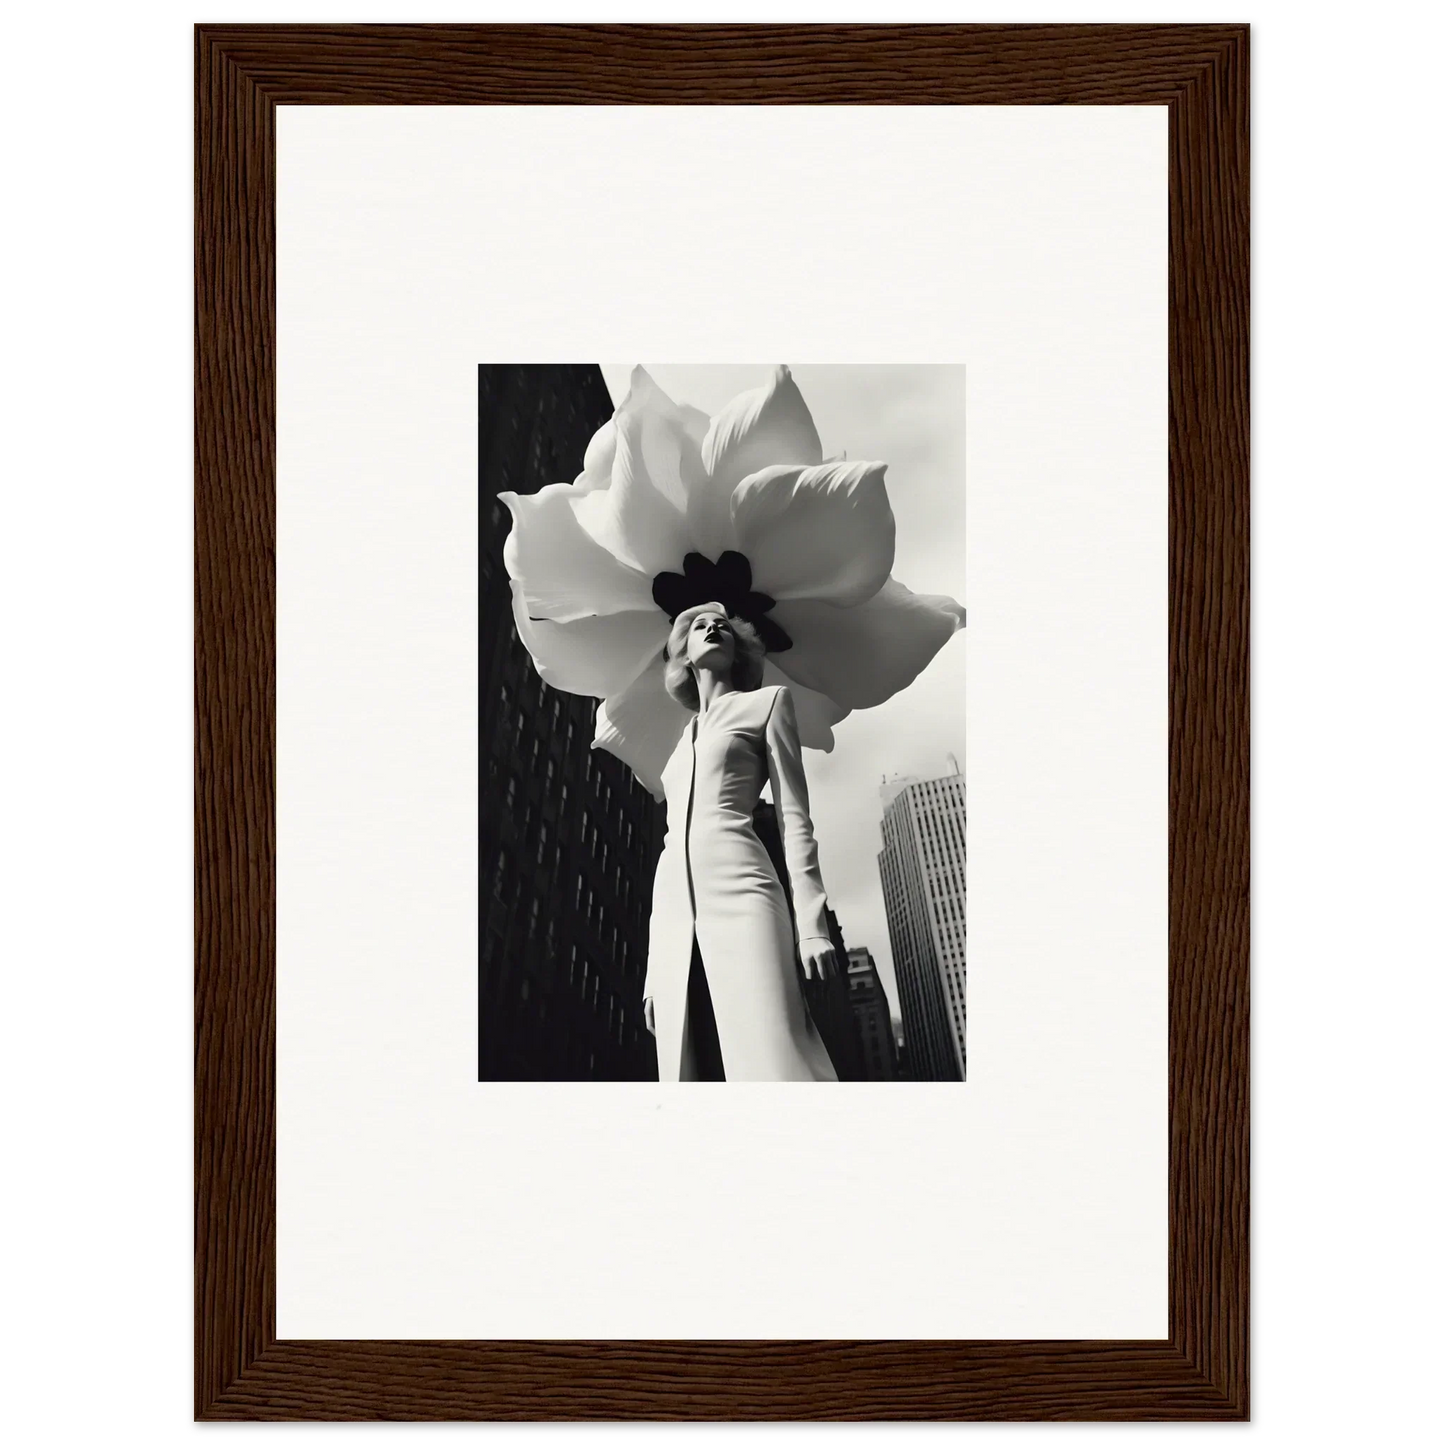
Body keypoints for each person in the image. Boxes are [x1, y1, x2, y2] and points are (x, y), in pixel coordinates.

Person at [641, 601, 840, 1082]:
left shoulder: (767, 703)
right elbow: (671, 849)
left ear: (737, 651)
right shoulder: (679, 744)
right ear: (683, 654)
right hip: (676, 916)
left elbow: (795, 817)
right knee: (690, 1066)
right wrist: (653, 967)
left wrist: (811, 923)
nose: (712, 628)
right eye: (700, 626)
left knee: (775, 1051)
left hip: (745, 891)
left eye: (723, 627)